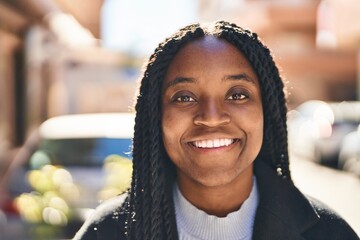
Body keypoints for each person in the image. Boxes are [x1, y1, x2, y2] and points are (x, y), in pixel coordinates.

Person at [73, 21, 359, 240]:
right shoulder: (105, 232)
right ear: (156, 116)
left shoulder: (329, 233)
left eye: (237, 94)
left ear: (267, 112)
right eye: (184, 97)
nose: (211, 118)